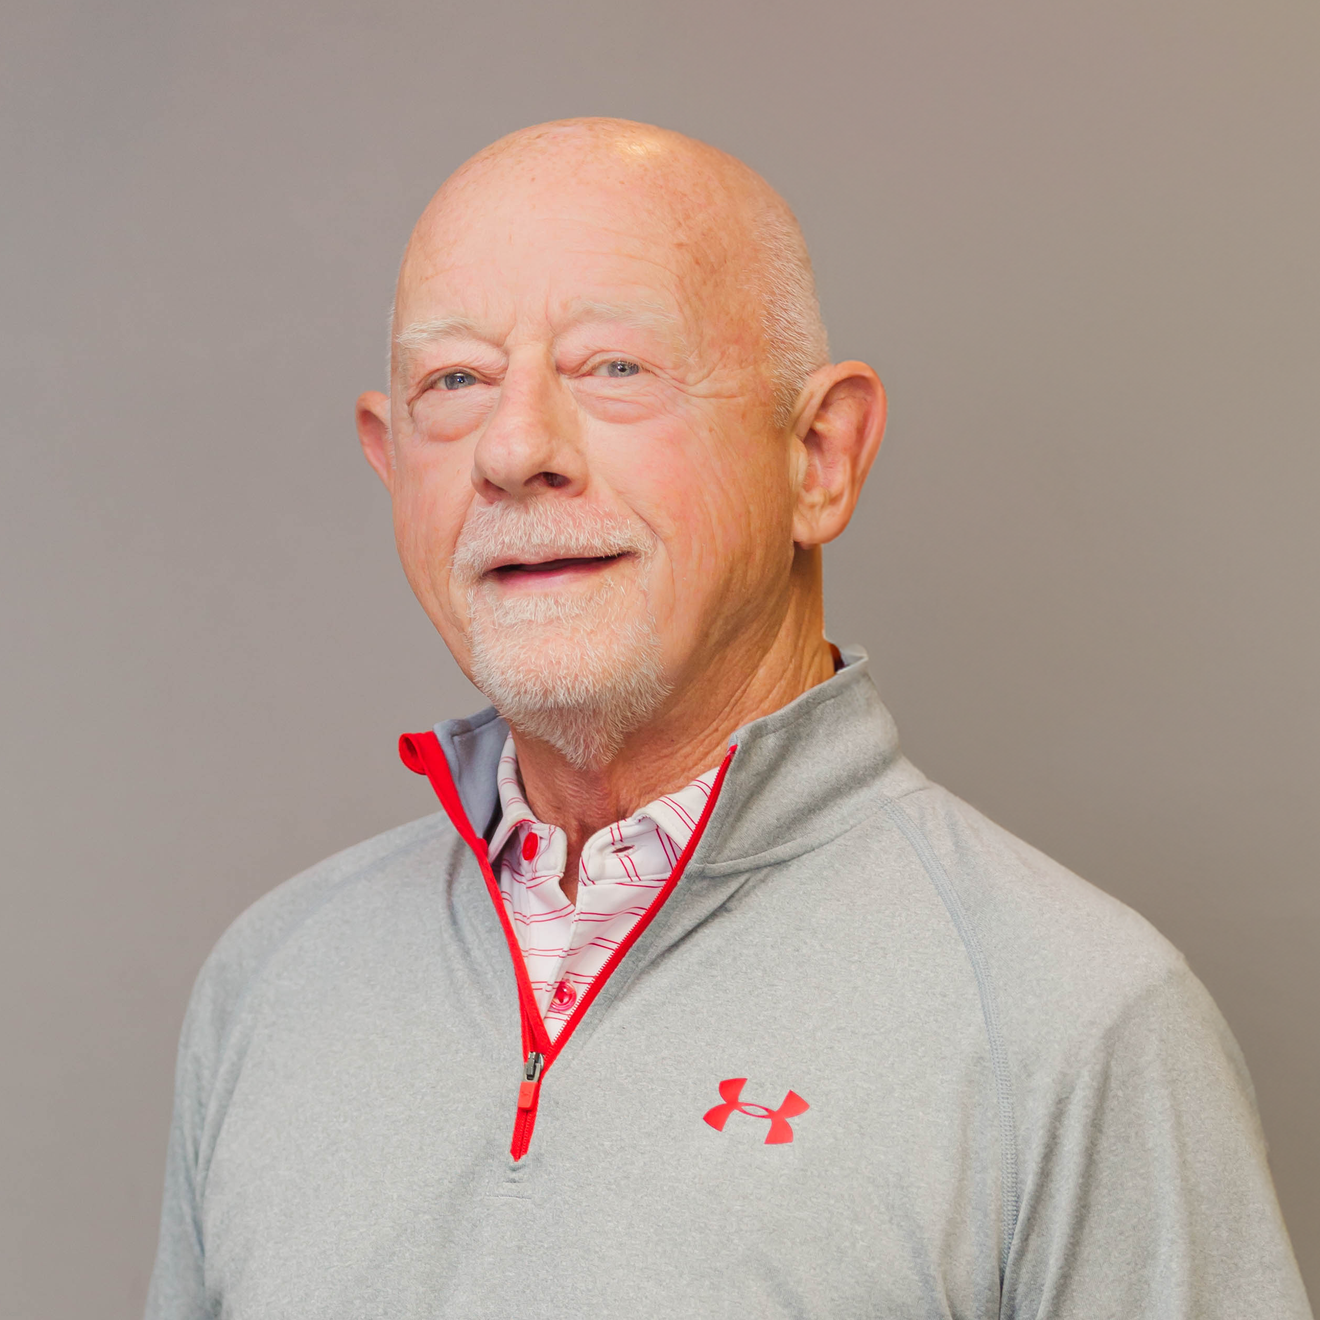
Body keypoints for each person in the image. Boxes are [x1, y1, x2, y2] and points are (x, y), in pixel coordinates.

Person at [145, 119, 1311, 1319]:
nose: (514, 447)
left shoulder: (1069, 1020)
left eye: (614, 367)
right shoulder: (274, 983)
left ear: (818, 455)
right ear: (391, 466)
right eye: (456, 381)